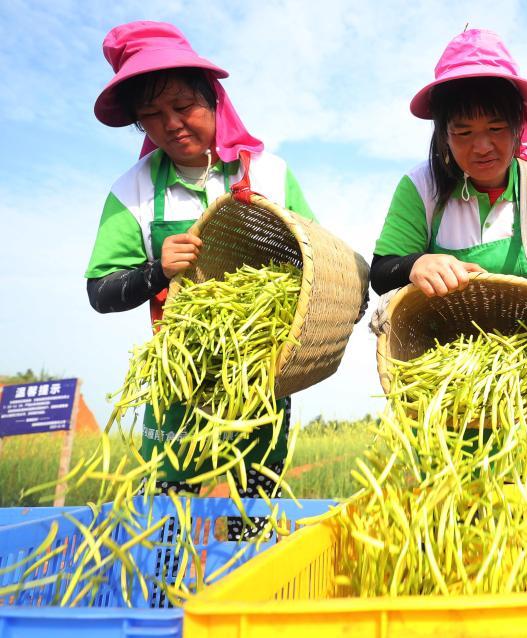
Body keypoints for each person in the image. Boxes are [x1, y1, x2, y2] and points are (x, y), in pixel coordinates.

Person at [84, 21, 316, 536]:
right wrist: (155, 271)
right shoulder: (134, 192)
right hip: (179, 388)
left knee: (250, 514)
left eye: (184, 107)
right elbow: (100, 290)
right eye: (151, 117)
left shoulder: (271, 175)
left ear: (214, 100)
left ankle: (242, 609)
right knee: (170, 522)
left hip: (261, 381)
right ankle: (169, 607)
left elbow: (320, 263)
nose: (171, 125)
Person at [369, 29, 527, 310]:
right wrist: (416, 263)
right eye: (463, 132)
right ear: (444, 136)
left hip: (524, 338)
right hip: (443, 339)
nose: (481, 146)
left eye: (496, 128)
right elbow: (381, 272)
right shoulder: (421, 186)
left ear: (518, 126)